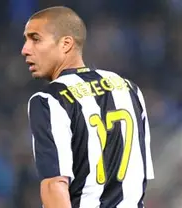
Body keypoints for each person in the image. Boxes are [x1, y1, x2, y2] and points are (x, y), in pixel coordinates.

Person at [22, 6, 154, 208]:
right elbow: (141, 175)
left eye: (35, 39)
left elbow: (54, 185)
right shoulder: (130, 88)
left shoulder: (50, 99)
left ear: (66, 44)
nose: (25, 49)